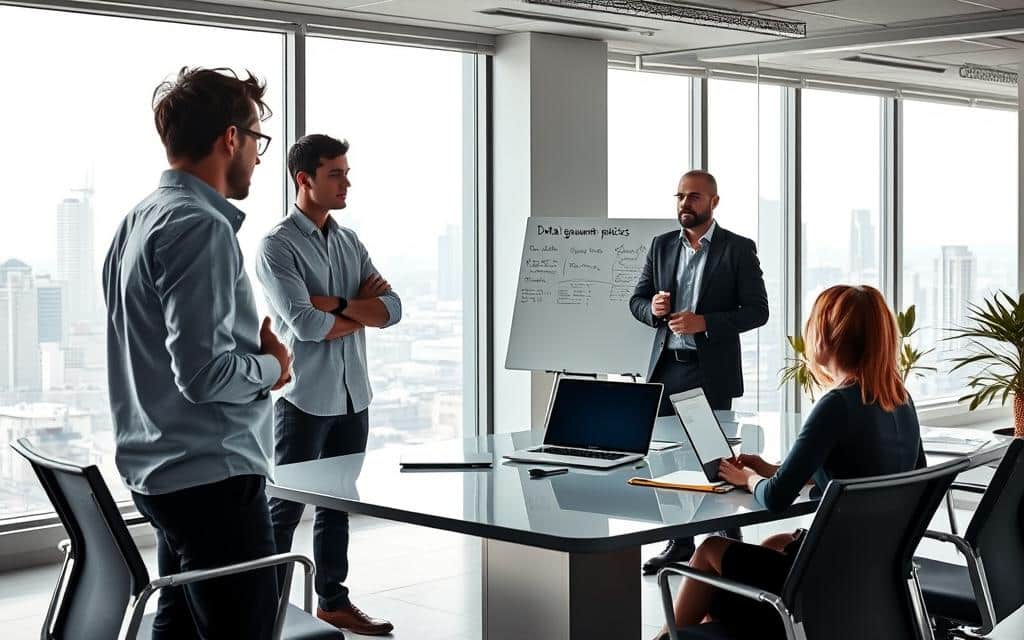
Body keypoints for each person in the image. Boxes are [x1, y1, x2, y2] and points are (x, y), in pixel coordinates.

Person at [102, 67, 292, 639]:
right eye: (258, 139)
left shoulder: (138, 219)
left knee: (180, 626)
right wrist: (272, 367)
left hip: (161, 472)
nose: (260, 156)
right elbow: (204, 375)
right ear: (230, 138)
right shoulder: (199, 227)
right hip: (213, 480)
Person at [654, 285, 926, 640]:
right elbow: (880, 469)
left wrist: (750, 478)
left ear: (827, 336)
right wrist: (768, 469)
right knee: (774, 543)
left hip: (824, 580)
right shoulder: (898, 397)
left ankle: (667, 639)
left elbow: (776, 497)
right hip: (870, 570)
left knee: (708, 550)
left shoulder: (837, 404)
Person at [256, 134, 401, 635]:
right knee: (284, 508)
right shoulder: (277, 246)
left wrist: (335, 304)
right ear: (305, 179)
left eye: (346, 171)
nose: (346, 182)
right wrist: (358, 307)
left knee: (338, 505)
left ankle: (333, 602)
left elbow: (393, 310)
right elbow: (306, 327)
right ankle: (263, 612)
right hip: (305, 400)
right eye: (335, 173)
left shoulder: (348, 241)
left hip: (353, 396)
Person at [629, 169, 769, 574]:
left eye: (693, 196)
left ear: (713, 202)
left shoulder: (738, 249)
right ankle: (679, 543)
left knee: (715, 460)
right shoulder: (660, 247)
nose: (684, 204)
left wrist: (704, 322)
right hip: (665, 370)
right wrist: (651, 310)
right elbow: (636, 300)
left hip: (709, 373)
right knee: (668, 462)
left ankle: (729, 540)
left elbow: (757, 311)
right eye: (679, 196)